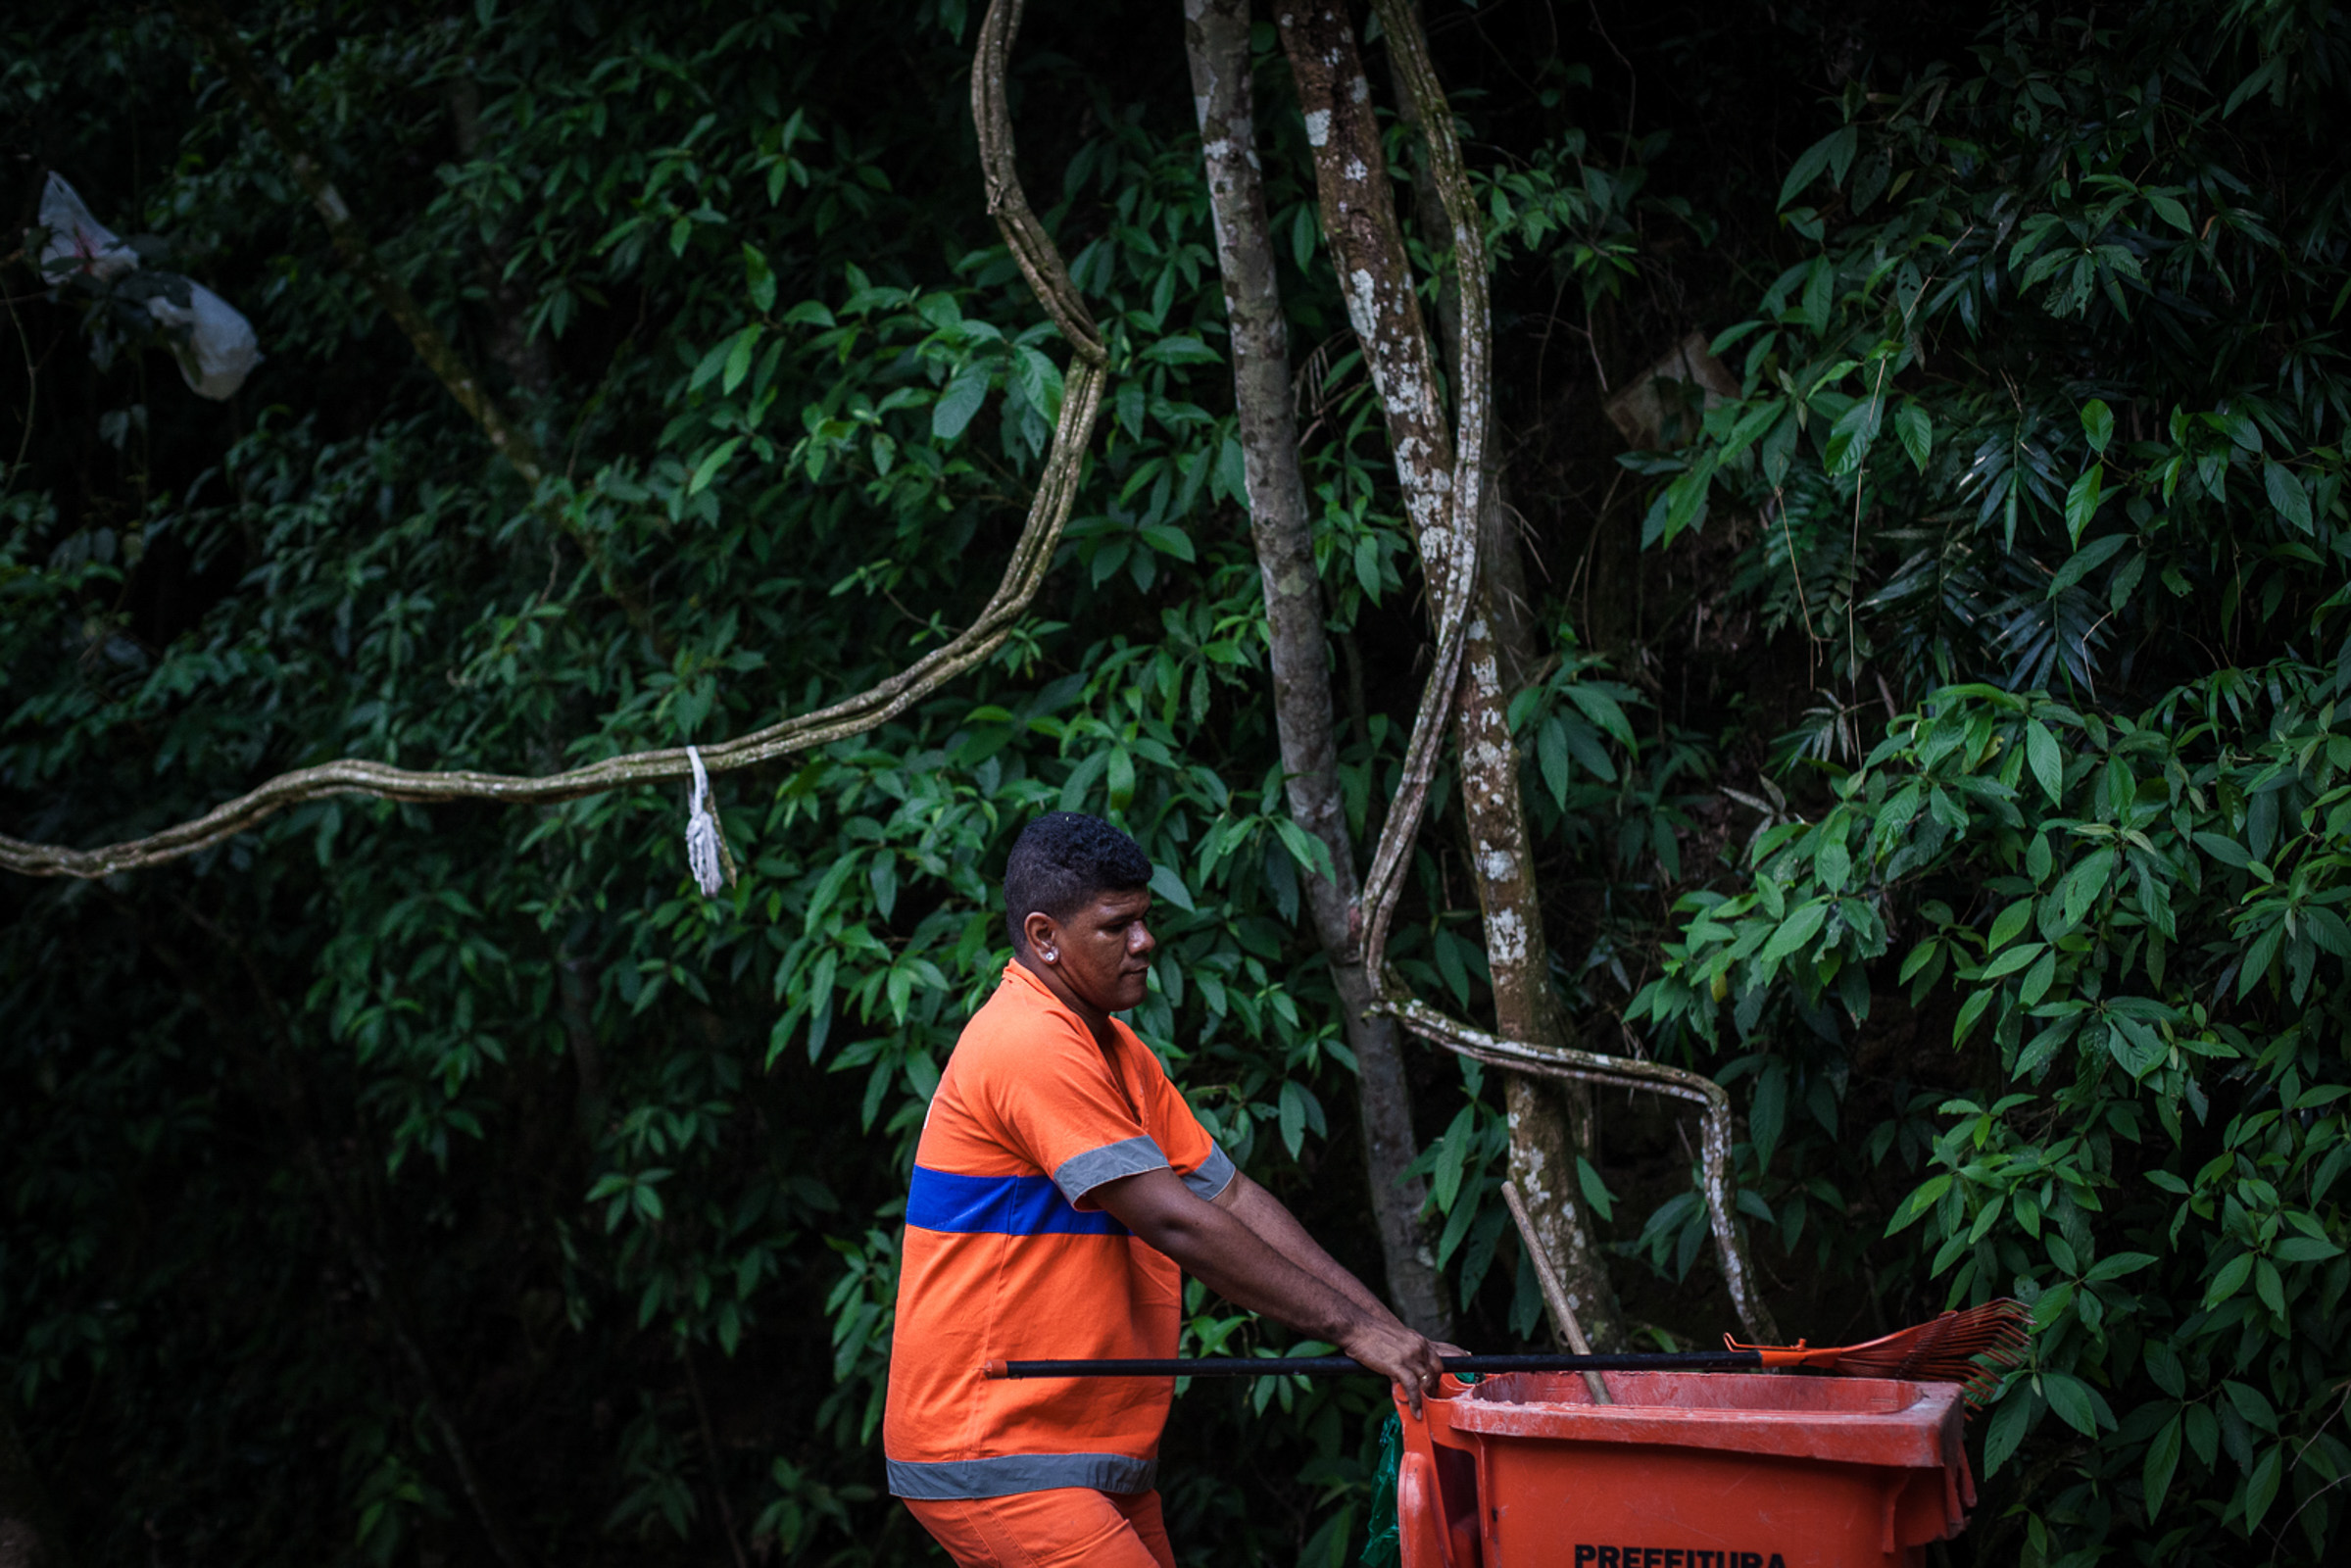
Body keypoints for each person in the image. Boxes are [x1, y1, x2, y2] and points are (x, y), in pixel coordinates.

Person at [884, 811, 1450, 1567]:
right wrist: (1351, 1333)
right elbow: (1173, 1223)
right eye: (1118, 926)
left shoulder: (1113, 1049)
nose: (1145, 943)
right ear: (1045, 936)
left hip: (1078, 1449)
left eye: (1144, 921)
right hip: (994, 1441)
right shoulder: (1026, 1040)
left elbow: (1232, 1199)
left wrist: (1394, 1338)